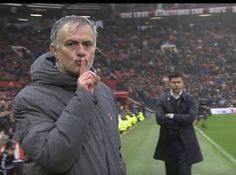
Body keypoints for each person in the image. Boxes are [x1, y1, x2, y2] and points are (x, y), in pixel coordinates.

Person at [13, 15, 126, 175]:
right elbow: (53, 159)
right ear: (55, 51)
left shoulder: (104, 91)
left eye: (87, 44)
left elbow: (115, 152)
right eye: (71, 44)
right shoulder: (29, 99)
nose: (81, 52)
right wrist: (83, 97)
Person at [153, 72, 203, 175]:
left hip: (185, 142)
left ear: (183, 83)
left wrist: (173, 116)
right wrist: (182, 121)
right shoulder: (162, 99)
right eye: (174, 82)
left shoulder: (190, 99)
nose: (176, 84)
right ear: (169, 84)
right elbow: (160, 119)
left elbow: (191, 117)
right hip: (168, 142)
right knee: (171, 172)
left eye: (179, 82)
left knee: (184, 172)